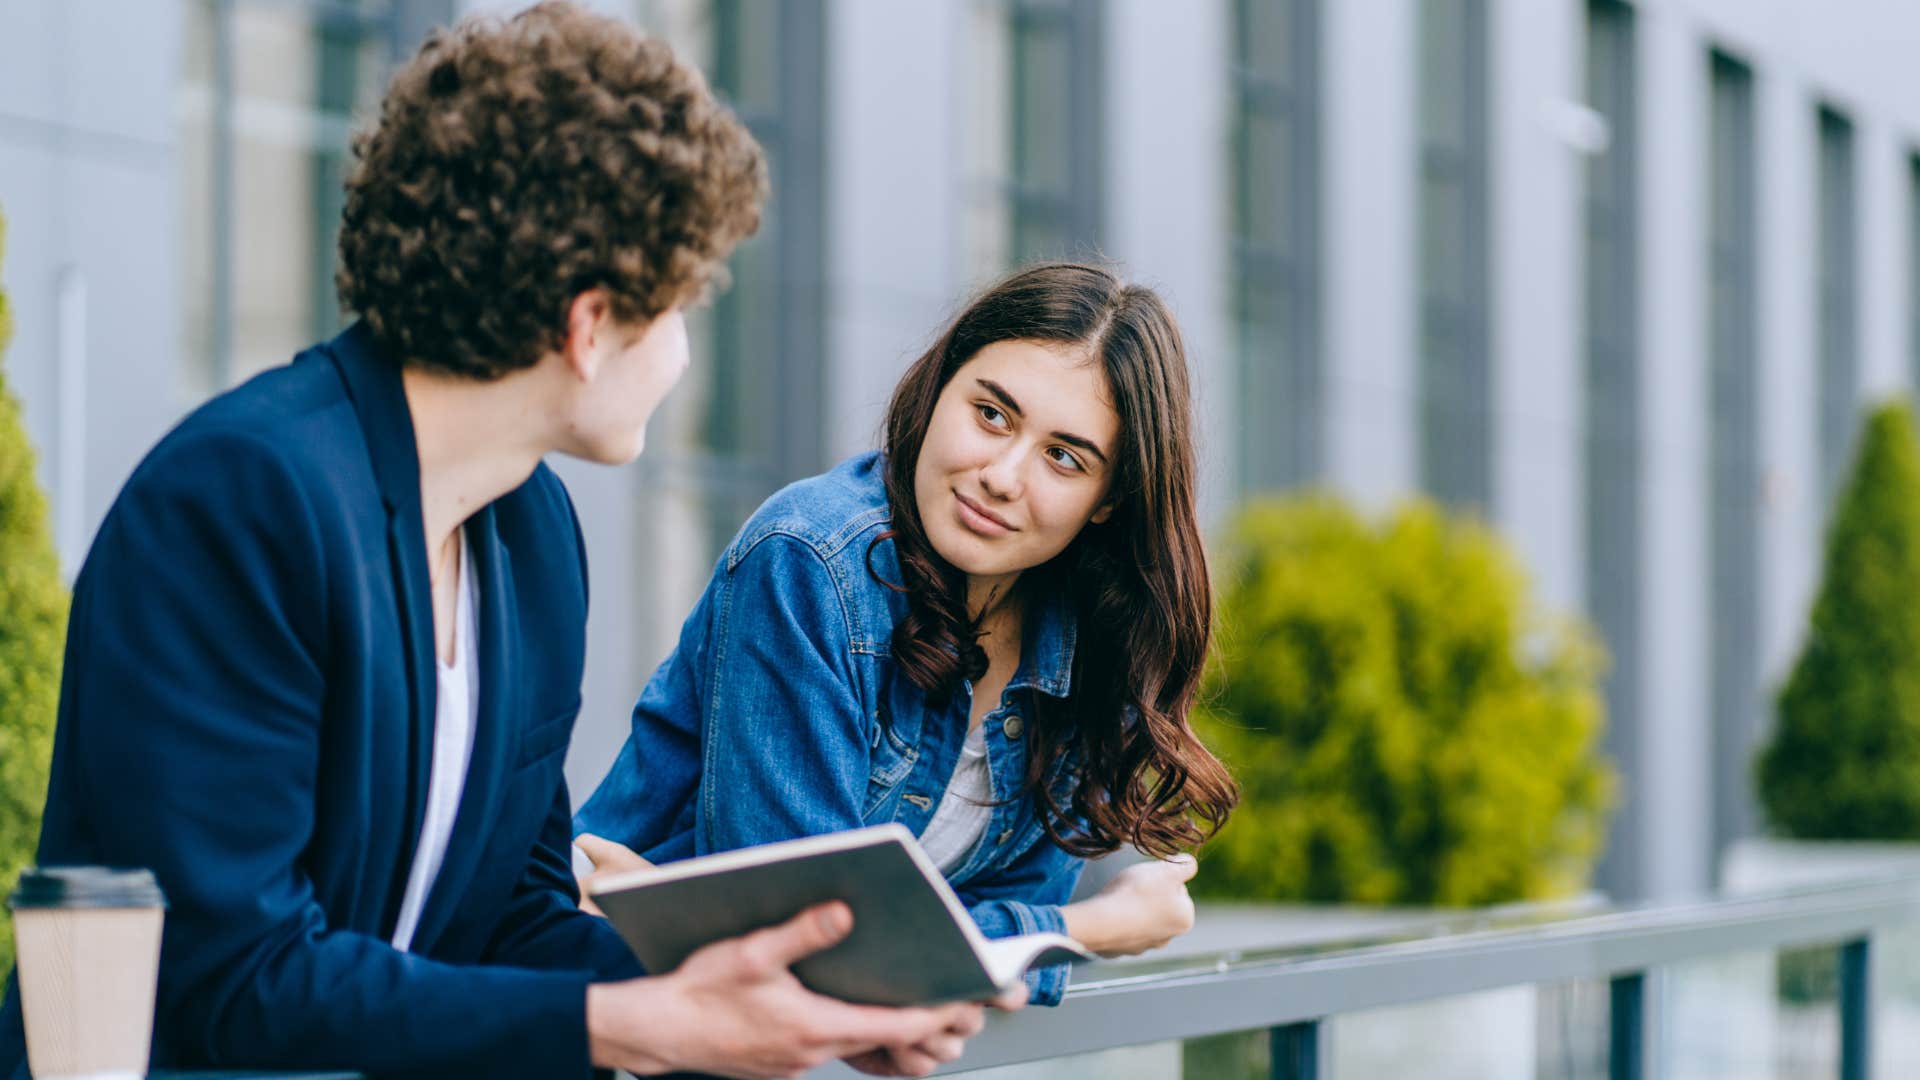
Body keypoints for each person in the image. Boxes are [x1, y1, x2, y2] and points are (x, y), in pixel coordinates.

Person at [0, 5, 1001, 1077]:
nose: (677, 356)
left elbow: (504, 922)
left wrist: (790, 999)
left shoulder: (531, 535)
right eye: (674, 312)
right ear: (590, 325)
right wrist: (631, 1025)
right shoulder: (243, 498)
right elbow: (229, 976)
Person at [573, 261, 1242, 1006]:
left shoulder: (1090, 642)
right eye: (992, 414)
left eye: (1063, 457)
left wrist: (970, 947)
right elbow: (796, 937)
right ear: (940, 388)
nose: (1001, 476)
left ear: (1109, 500)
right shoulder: (811, 561)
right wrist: (1094, 926)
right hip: (619, 1017)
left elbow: (973, 977)